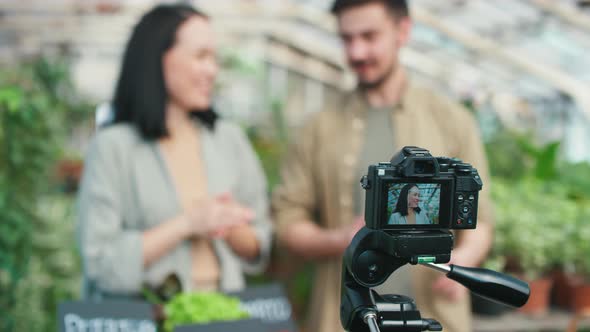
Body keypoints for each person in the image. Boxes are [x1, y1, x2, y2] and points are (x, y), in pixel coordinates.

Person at [271, 1, 494, 331]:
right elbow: (287, 220)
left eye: (369, 36)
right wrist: (342, 238)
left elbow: (482, 220)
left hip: (436, 316)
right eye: (347, 39)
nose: (356, 51)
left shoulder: (450, 120)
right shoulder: (318, 128)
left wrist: (464, 259)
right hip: (344, 320)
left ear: (403, 31)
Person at [77, 4, 272, 300]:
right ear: (158, 58)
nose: (212, 70)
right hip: (148, 317)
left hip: (225, 315)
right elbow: (100, 263)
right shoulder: (112, 147)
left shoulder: (229, 140)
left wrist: (228, 225)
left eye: (214, 58)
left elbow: (260, 243)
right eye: (201, 56)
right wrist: (188, 224)